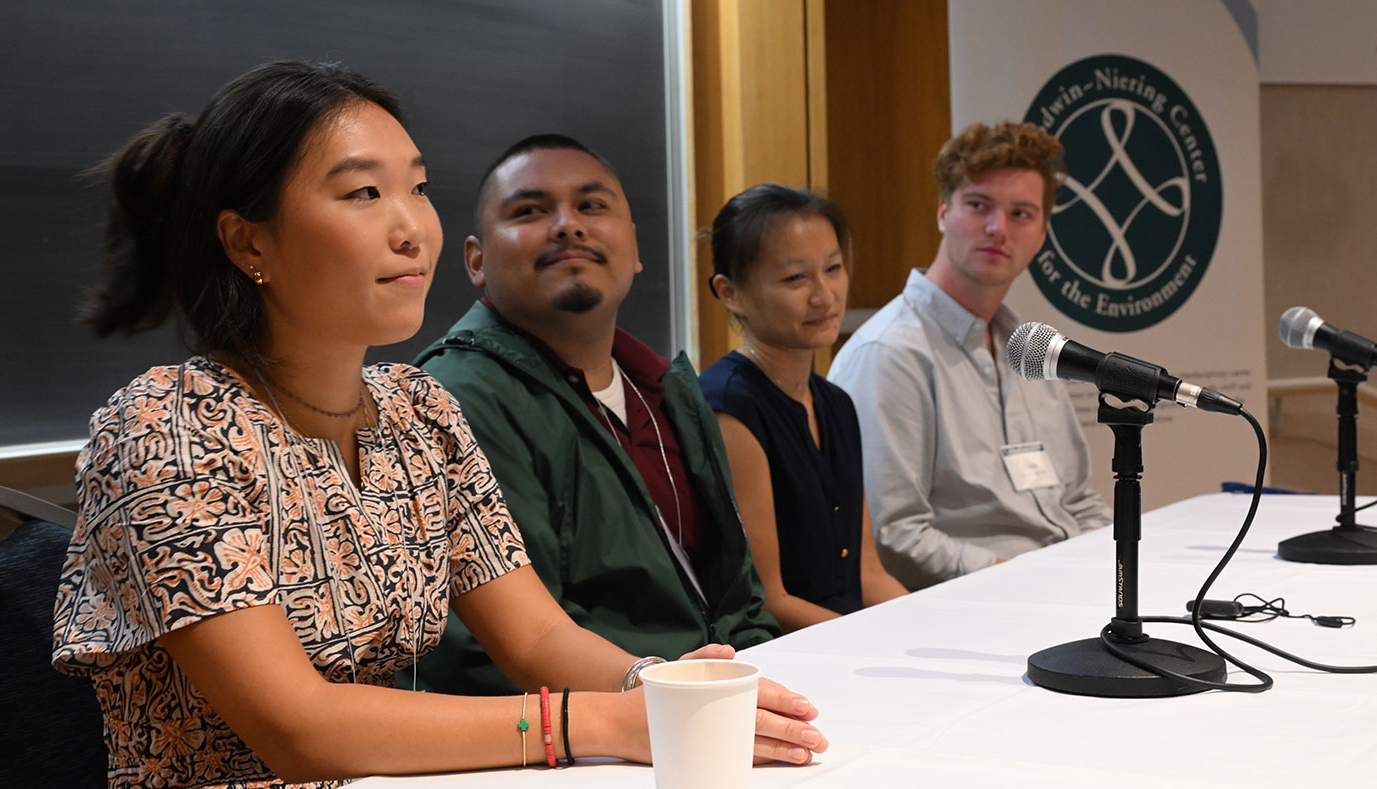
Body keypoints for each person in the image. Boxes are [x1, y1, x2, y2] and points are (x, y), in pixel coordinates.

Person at [51, 62, 825, 789]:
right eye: (362, 193)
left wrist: (650, 687)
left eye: (416, 188)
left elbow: (534, 636)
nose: (410, 227)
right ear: (248, 242)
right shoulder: (165, 428)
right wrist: (592, 724)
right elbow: (297, 724)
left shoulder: (419, 411)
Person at [412, 134, 779, 695]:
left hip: (707, 700)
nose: (568, 225)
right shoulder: (456, 396)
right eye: (530, 211)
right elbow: (493, 655)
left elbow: (739, 597)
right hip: (578, 735)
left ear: (633, 247)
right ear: (477, 260)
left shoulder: (671, 389)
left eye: (591, 205)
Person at [827, 121, 1111, 590]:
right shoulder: (890, 353)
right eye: (979, 206)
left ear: (1042, 233)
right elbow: (893, 535)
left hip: (1062, 590)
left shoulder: (1032, 347)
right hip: (969, 607)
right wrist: (1031, 578)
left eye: (1021, 213)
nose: (998, 228)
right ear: (943, 211)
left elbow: (1078, 503)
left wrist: (1114, 571)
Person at [699, 184, 908, 632]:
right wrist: (880, 639)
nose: (824, 295)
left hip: (847, 637)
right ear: (729, 292)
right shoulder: (729, 406)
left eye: (833, 269)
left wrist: (924, 626)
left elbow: (868, 575)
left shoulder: (835, 402)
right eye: (796, 278)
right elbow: (768, 600)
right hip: (787, 652)